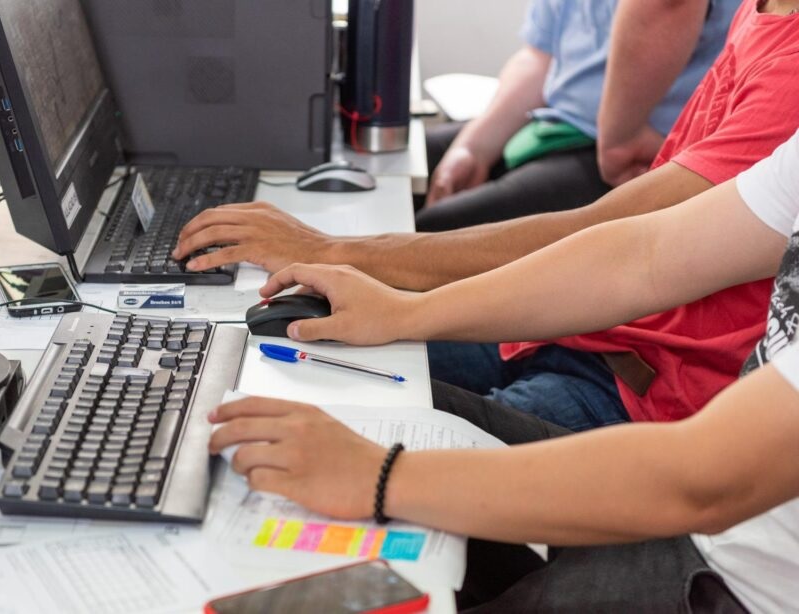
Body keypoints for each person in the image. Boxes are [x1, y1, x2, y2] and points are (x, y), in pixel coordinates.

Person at [208, 128, 799, 612]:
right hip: (708, 509)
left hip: (734, 577)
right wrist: (407, 311)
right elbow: (645, 257)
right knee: (323, 407)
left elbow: (707, 481)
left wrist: (381, 476)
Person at [176, 0, 799, 431]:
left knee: (334, 421)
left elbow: (624, 243)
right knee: (262, 358)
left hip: (641, 384)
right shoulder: (765, 10)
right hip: (589, 326)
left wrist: (342, 251)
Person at [417, 0, 734, 232]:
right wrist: (473, 148)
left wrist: (620, 141)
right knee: (400, 161)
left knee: (434, 229)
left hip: (634, 153)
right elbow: (541, 57)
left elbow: (665, 5)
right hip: (558, 121)